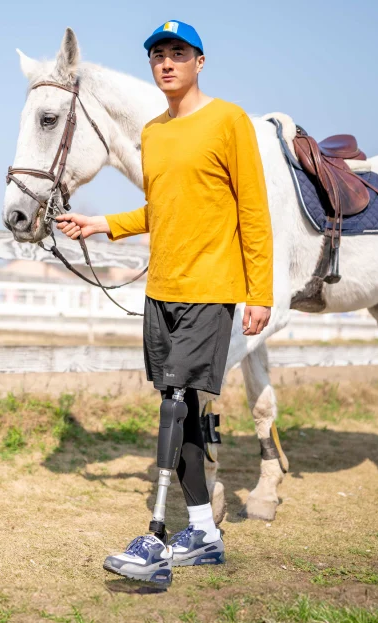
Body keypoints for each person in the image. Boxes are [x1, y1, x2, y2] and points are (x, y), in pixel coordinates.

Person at [55, 19, 272, 587]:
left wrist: (260, 291)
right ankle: (202, 532)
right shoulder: (152, 133)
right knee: (183, 411)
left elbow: (253, 210)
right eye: (158, 55)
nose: (167, 62)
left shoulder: (228, 121)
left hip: (211, 288)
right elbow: (162, 209)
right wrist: (102, 223)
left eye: (179, 53)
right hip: (162, 291)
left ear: (200, 62)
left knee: (174, 403)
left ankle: (155, 536)